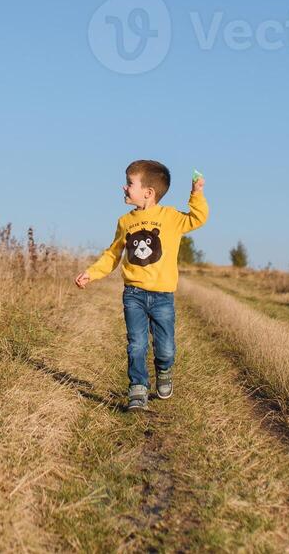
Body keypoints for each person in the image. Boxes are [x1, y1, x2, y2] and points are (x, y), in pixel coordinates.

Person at [75, 160, 208, 411]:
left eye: (129, 184)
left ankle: (164, 369)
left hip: (162, 296)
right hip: (133, 294)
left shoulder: (170, 217)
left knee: (165, 348)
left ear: (148, 192)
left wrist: (196, 194)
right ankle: (138, 388)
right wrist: (91, 273)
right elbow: (113, 254)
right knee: (136, 343)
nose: (124, 188)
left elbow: (197, 218)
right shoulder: (125, 222)